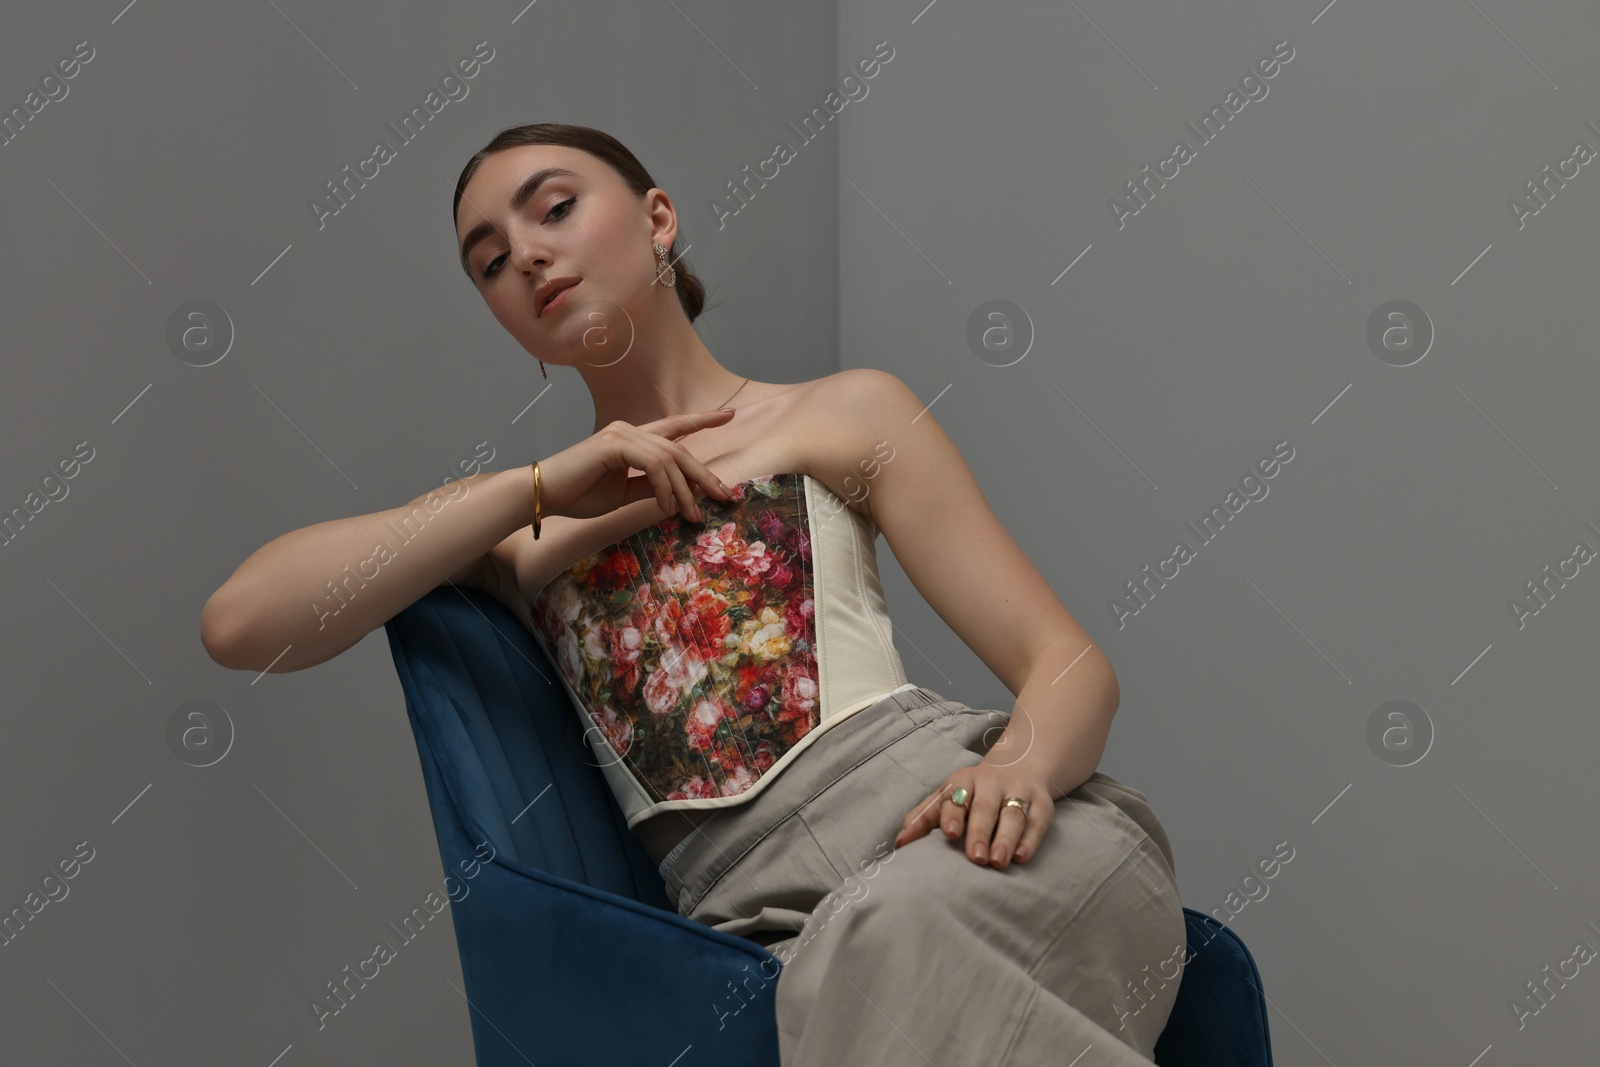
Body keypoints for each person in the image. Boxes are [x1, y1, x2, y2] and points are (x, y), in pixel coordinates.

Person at [201, 122, 1187, 1065]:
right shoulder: (520, 525)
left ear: (658, 218)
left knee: (899, 922)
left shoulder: (844, 412)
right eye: (490, 261)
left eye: (554, 209)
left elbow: (1065, 663)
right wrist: (536, 484)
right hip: (785, 932)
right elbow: (243, 621)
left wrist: (1018, 768)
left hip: (984, 836)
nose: (530, 258)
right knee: (873, 939)